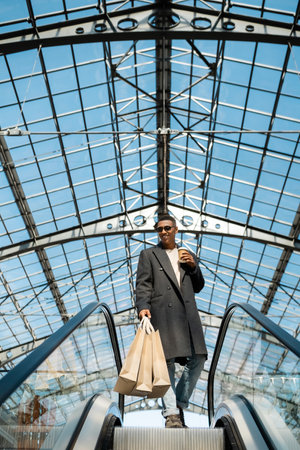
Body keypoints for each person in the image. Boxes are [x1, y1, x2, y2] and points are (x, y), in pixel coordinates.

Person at [135, 214, 207, 428]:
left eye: (167, 228)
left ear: (176, 230)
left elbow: (198, 286)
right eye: (160, 229)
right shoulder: (149, 255)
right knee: (165, 364)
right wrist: (143, 307)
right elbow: (143, 284)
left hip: (187, 316)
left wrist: (194, 267)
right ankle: (172, 415)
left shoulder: (187, 254)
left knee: (199, 358)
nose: (164, 232)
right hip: (162, 314)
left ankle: (179, 404)